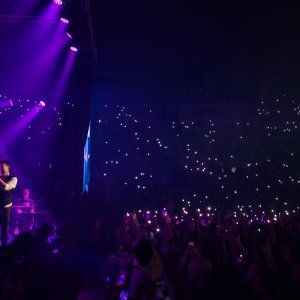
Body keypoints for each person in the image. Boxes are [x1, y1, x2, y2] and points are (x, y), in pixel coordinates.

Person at [0, 160, 18, 246]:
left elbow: (7, 187)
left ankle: (3, 249)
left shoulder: (13, 178)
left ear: (8, 168)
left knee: (4, 229)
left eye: (2, 167)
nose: (0, 169)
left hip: (5, 207)